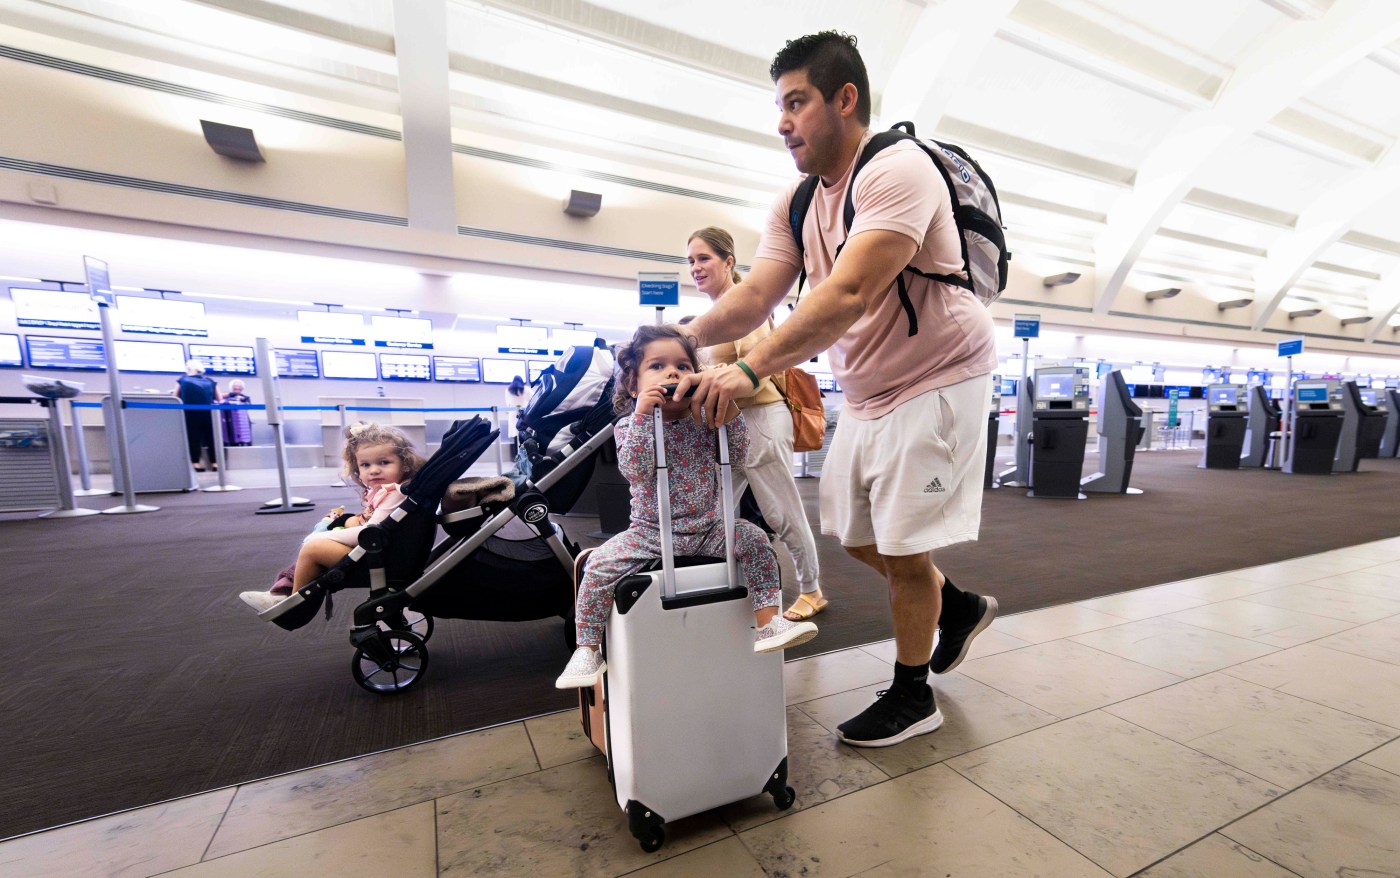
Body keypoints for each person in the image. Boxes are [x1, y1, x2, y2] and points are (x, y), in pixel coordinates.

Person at [675, 32, 999, 748]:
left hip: (940, 372)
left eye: (797, 102)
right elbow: (758, 293)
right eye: (780, 105)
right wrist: (674, 343)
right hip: (872, 388)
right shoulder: (794, 201)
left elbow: (850, 291)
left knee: (905, 544)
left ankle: (914, 694)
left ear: (844, 99)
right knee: (854, 533)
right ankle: (959, 606)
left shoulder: (897, 169)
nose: (782, 122)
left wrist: (752, 369)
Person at [554, 325, 818, 689]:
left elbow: (739, 454)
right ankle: (587, 648)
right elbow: (635, 468)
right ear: (633, 385)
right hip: (650, 532)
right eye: (657, 366)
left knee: (755, 539)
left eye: (682, 366)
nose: (672, 373)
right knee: (598, 566)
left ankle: (769, 621)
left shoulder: (705, 422)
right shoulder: (630, 426)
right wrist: (646, 416)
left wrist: (730, 411)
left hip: (711, 529)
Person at [688, 225, 827, 623]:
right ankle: (720, 579)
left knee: (781, 512)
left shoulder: (745, 306)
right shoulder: (715, 315)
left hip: (759, 421)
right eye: (691, 261)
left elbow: (759, 372)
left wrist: (709, 376)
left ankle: (812, 589)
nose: (696, 267)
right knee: (716, 511)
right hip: (730, 426)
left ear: (728, 261)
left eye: (704, 258)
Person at [238, 422, 426, 613]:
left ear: (405, 464)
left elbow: (370, 531)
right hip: (389, 552)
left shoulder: (395, 493)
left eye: (384, 462)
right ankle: (283, 592)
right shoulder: (391, 490)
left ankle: (294, 605)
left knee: (313, 548)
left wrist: (324, 537)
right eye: (365, 464)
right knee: (337, 528)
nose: (374, 470)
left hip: (386, 561)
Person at [174, 360, 219, 471]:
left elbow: (175, 397)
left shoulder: (182, 380)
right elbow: (219, 398)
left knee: (193, 438)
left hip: (191, 413)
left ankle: (196, 464)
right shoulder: (210, 380)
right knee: (212, 438)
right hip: (209, 412)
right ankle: (215, 463)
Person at [222, 379, 253, 447]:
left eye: (240, 386)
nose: (238, 388)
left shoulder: (245, 397)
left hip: (243, 423)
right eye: (235, 386)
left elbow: (249, 406)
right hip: (230, 421)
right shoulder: (227, 395)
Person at [504, 375, 528, 456]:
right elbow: (533, 398)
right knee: (523, 433)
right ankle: (524, 455)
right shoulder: (526, 388)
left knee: (514, 434)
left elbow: (508, 404)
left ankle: (515, 456)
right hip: (523, 412)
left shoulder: (508, 390)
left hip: (513, 413)